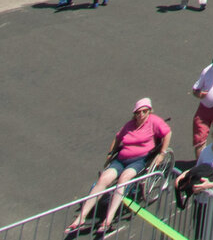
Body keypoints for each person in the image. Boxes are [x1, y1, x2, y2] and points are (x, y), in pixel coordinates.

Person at [63, 97, 170, 236]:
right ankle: (81, 218)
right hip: (121, 159)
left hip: (139, 160)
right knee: (103, 180)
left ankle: (109, 218)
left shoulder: (154, 121)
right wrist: (110, 154)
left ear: (149, 111)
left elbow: (167, 133)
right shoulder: (129, 125)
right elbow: (118, 137)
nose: (141, 115)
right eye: (138, 112)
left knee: (123, 180)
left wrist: (162, 153)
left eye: (144, 112)